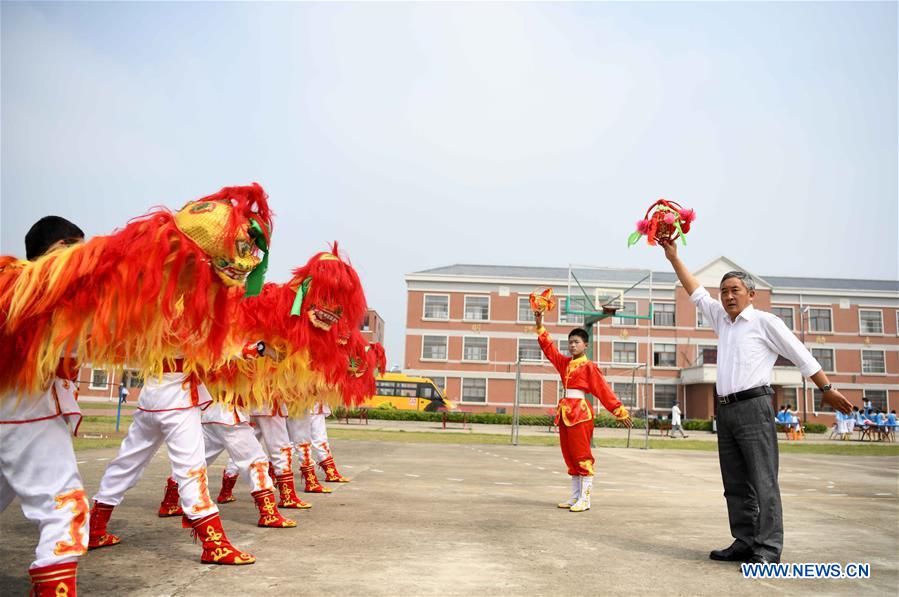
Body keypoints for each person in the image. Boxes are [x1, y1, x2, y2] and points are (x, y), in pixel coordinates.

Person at [661, 239, 852, 565]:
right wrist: (673, 256)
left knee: (763, 480)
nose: (728, 296)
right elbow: (694, 291)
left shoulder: (766, 322)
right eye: (724, 291)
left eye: (735, 289)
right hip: (726, 409)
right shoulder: (722, 320)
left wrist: (826, 388)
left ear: (751, 294)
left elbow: (800, 355)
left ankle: (767, 548)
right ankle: (744, 541)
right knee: (734, 482)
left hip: (754, 408)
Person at [0, 216, 89, 596]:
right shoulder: (27, 289)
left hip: (24, 409)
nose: (79, 257)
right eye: (68, 247)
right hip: (27, 407)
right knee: (64, 509)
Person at [533, 311, 632, 512]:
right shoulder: (565, 364)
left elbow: (603, 390)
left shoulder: (589, 367)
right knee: (569, 455)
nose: (572, 345)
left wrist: (619, 411)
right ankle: (575, 496)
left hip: (580, 414)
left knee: (581, 454)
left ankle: (585, 499)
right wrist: (539, 323)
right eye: (570, 342)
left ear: (585, 345)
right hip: (565, 413)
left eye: (576, 342)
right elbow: (549, 349)